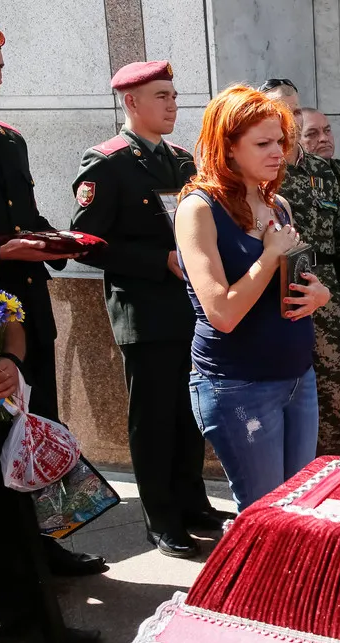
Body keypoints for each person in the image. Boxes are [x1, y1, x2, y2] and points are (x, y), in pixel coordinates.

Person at [70, 61, 233, 557]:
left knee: (189, 414)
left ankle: (192, 503)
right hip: (144, 312)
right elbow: (86, 243)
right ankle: (159, 518)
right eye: (160, 96)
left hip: (191, 309)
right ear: (131, 103)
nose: (172, 104)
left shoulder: (183, 161)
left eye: (174, 95)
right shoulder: (107, 162)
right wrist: (159, 259)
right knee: (155, 418)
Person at [0, 18, 106, 580]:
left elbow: (24, 217)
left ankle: (48, 543)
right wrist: (2, 254)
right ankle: (9, 577)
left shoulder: (8, 138)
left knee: (38, 420)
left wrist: (57, 243)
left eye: (0, 68)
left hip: (29, 314)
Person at [176, 85, 332, 511]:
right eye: (263, 143)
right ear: (227, 148)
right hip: (238, 385)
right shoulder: (198, 208)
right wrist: (270, 254)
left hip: (298, 377)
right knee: (264, 515)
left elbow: (294, 278)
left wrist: (318, 293)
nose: (278, 152)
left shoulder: (277, 203)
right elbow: (222, 312)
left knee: (297, 507)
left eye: (281, 141)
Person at [262, 79, 340, 455]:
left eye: (292, 109)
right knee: (286, 381)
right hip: (273, 286)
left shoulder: (327, 172)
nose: (286, 118)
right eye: (278, 110)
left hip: (325, 285)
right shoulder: (260, 171)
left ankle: (328, 457)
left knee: (334, 376)